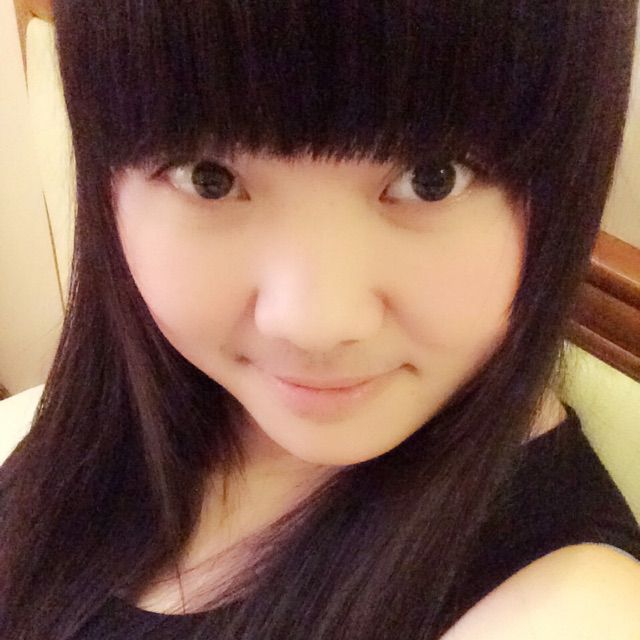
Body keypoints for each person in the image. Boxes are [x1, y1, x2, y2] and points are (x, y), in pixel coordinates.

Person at [1, 1, 639, 638]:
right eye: (209, 178)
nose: (312, 323)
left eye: (432, 180)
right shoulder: (132, 411)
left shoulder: (572, 609)